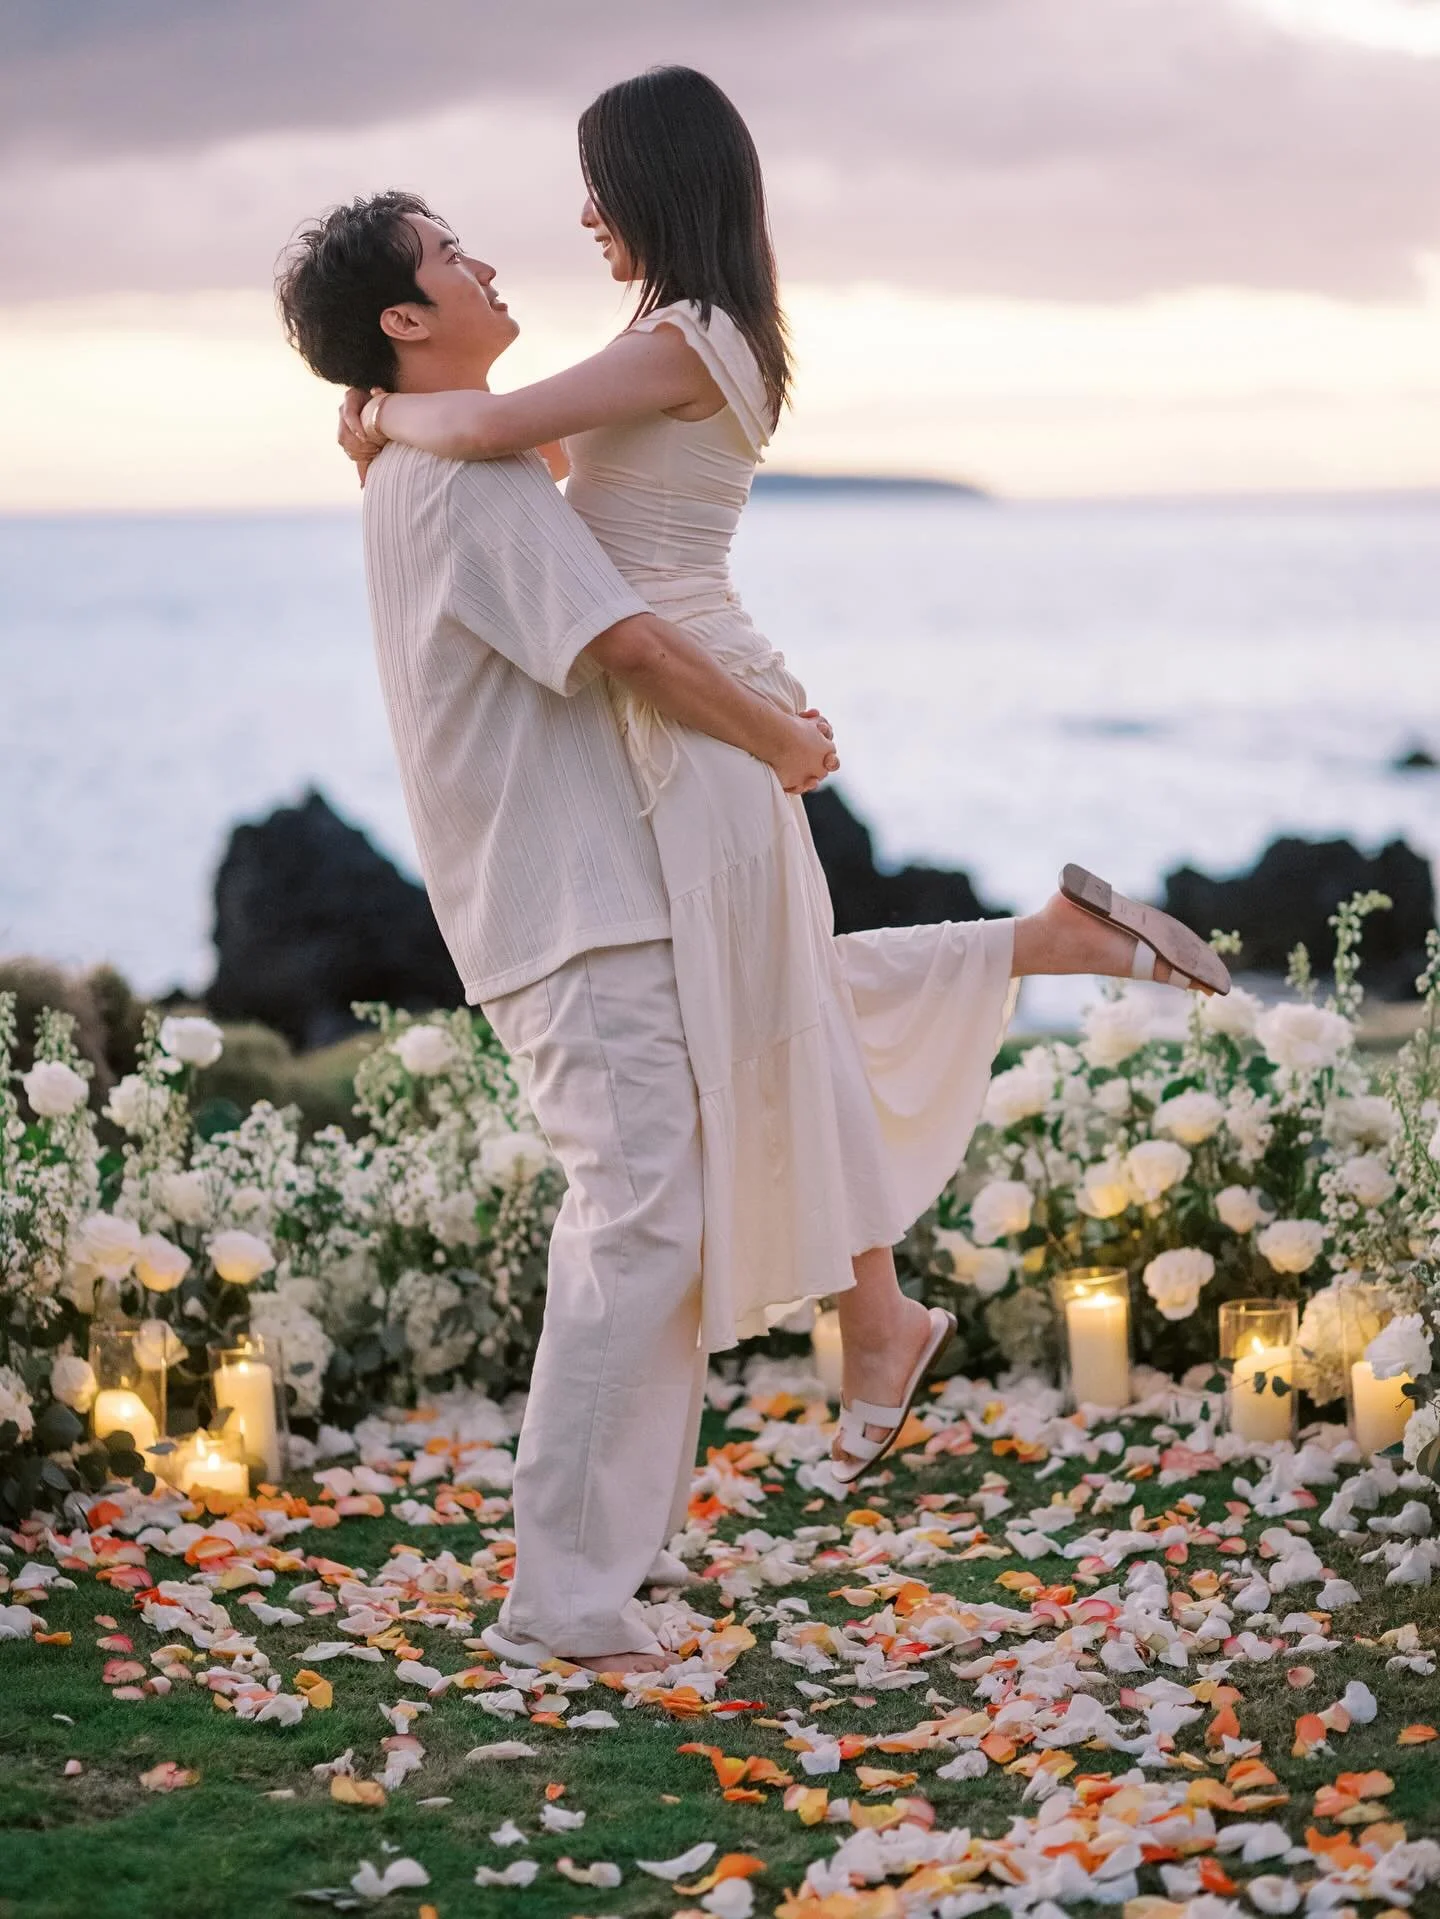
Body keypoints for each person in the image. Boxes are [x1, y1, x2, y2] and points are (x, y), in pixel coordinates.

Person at [337, 68, 1231, 1484]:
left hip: (695, 701)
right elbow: (545, 454)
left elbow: (491, 433)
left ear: (657, 184)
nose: (584, 217)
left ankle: (882, 1310)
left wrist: (385, 418)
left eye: (598, 190)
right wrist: (413, 430)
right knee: (760, 996)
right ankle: (1028, 980)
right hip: (686, 694)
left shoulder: (687, 337)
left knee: (760, 1005)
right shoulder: (680, 336)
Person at [278, 189, 840, 1675]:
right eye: (449, 256)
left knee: (656, 1216)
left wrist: (383, 416)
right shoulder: (465, 484)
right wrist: (784, 740)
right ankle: (566, 1594)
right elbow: (633, 646)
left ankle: (614, 1553)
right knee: (640, 1216)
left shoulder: (441, 462)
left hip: (570, 891)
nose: (483, 263)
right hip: (568, 901)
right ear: (405, 319)